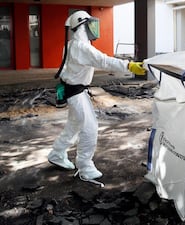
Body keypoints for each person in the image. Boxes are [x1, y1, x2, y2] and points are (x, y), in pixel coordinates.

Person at [47, 10, 146, 184]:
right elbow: (104, 61)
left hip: (73, 90)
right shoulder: (81, 47)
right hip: (76, 92)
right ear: (82, 26)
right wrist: (129, 65)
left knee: (74, 125)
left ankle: (57, 153)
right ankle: (85, 166)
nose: (94, 28)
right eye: (90, 24)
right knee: (90, 127)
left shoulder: (71, 45)